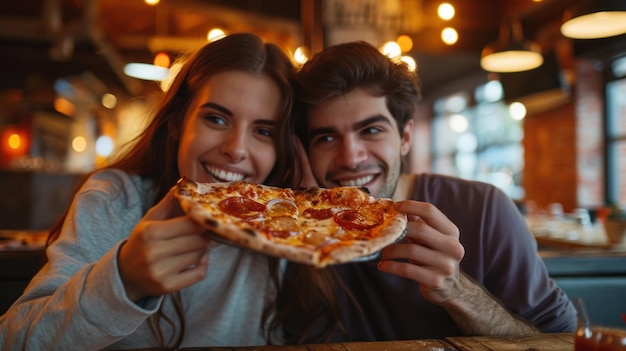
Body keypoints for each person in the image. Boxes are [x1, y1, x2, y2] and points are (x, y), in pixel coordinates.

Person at [0, 32, 303, 349]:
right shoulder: (116, 199)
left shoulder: (296, 228)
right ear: (176, 123)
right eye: (216, 119)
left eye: (264, 131)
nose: (236, 149)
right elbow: (13, 341)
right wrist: (124, 280)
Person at [272, 40, 577, 343]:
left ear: (405, 137)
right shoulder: (292, 233)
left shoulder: (484, 208)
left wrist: (457, 291)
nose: (351, 158)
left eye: (371, 130)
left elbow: (562, 343)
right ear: (305, 150)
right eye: (326, 138)